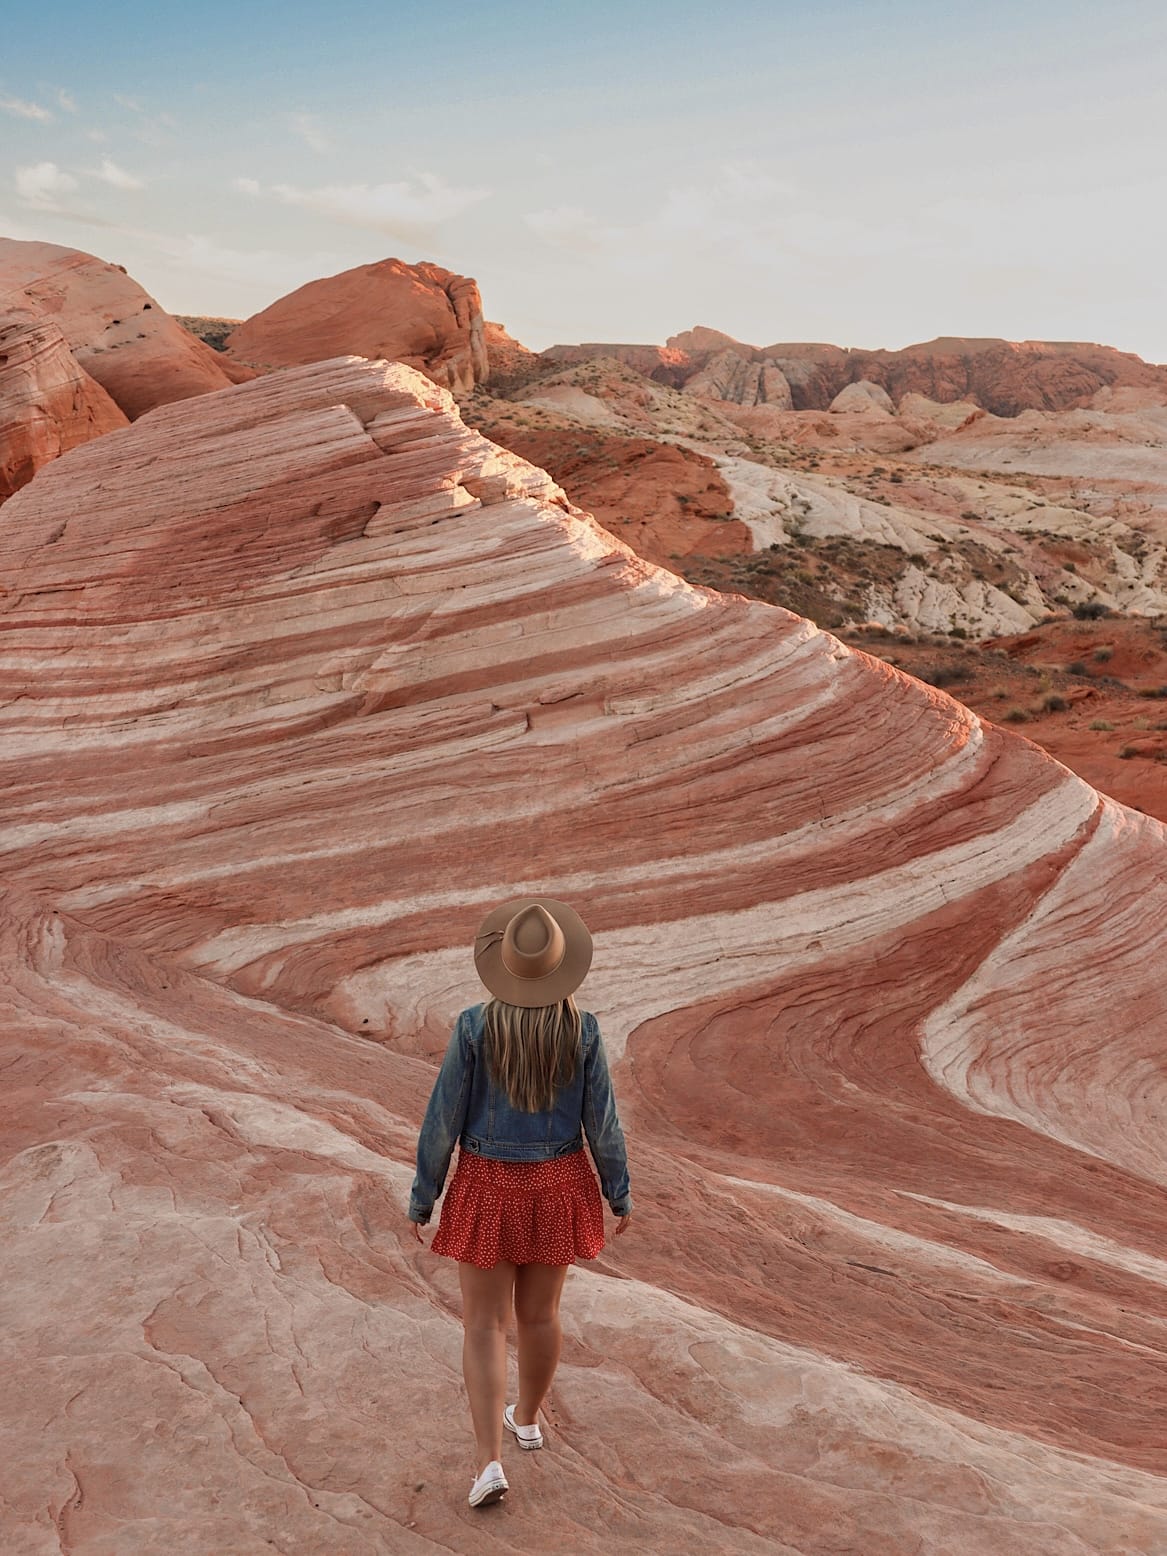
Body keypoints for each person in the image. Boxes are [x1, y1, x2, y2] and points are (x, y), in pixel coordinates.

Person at [408, 896, 634, 1509]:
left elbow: (443, 1118)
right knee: (540, 1317)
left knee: (483, 1326)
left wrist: (423, 1197)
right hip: (559, 1184)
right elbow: (603, 1123)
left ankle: (488, 1464)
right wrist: (618, 1191)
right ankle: (528, 1418)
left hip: (486, 1183)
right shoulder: (581, 1030)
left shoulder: (474, 1026)